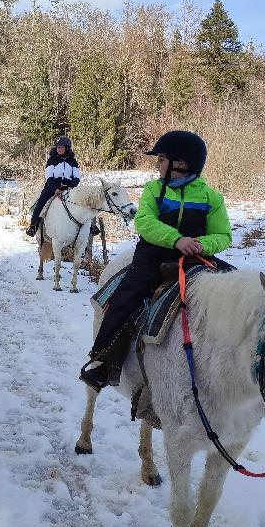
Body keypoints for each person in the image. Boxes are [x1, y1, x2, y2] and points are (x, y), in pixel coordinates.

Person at [79, 130, 232, 392]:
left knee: (235, 288)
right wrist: (176, 240)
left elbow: (223, 235)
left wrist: (201, 245)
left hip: (195, 257)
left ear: (180, 164)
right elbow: (144, 222)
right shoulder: (153, 190)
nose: (157, 164)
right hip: (153, 255)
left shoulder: (211, 197)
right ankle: (103, 360)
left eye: (161, 159)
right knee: (125, 299)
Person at [25, 135, 81, 237]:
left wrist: (71, 186)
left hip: (68, 188)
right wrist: (55, 189)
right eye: (57, 147)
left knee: (82, 202)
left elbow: (77, 177)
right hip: (52, 188)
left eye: (61, 147)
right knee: (41, 203)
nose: (58, 149)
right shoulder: (52, 160)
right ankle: (33, 226)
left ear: (67, 148)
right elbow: (49, 176)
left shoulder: (73, 161)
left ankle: (89, 226)